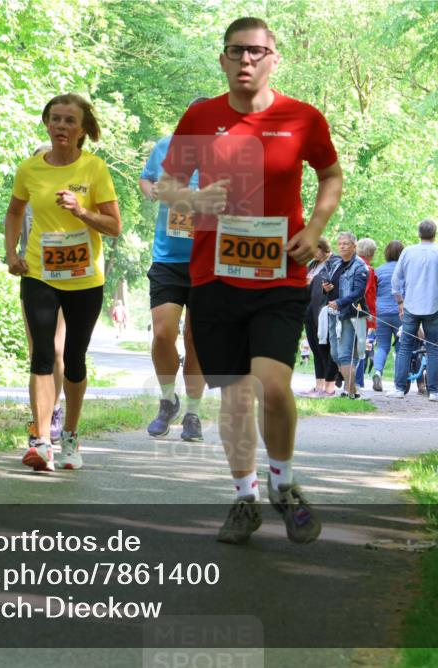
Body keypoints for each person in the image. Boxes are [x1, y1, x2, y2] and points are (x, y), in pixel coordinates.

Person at [158, 16, 343, 545]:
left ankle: (282, 485)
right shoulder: (200, 116)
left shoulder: (302, 117)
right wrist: (192, 200)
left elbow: (330, 174)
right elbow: (166, 184)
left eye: (257, 52)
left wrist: (315, 227)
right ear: (222, 58)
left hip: (281, 272)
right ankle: (244, 497)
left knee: (275, 385)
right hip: (214, 275)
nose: (246, 60)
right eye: (236, 51)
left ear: (273, 59)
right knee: (236, 397)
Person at [4, 93, 122, 472]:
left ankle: (69, 434)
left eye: (70, 121)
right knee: (41, 353)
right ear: (46, 123)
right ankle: (40, 440)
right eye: (55, 119)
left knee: (73, 358)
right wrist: (12, 253)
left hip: (85, 278)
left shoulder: (95, 169)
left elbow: (114, 227)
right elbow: (14, 212)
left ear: (83, 129)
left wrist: (81, 210)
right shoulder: (29, 169)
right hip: (39, 272)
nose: (61, 126)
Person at [140, 102, 209, 440]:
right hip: (168, 258)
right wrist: (151, 190)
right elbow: (147, 180)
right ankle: (168, 400)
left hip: (208, 261)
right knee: (163, 333)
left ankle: (193, 415)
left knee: (197, 340)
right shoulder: (166, 147)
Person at [14, 143, 67, 444]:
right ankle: (39, 419)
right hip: (34, 276)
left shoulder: (68, 196)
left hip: (67, 279)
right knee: (37, 351)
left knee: (58, 350)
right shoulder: (25, 197)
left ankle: (56, 409)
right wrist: (15, 257)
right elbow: (14, 226)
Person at [389, 219, 438, 401]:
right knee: (433, 348)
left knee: (405, 347)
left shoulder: (408, 252)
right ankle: (434, 391)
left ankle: (399, 388)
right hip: (434, 306)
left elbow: (396, 280)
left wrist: (400, 302)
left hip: (411, 305)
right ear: (434, 234)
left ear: (419, 234)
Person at [325, 231, 370, 399]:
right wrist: (327, 288)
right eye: (340, 243)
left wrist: (341, 302)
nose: (342, 246)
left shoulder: (360, 266)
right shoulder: (336, 263)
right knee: (335, 354)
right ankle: (355, 391)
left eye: (346, 243)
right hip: (333, 314)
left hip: (350, 314)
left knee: (345, 354)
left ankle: (350, 393)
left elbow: (359, 292)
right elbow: (331, 284)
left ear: (354, 246)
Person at [301, 239, 340, 397]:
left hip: (324, 311)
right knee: (315, 349)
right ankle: (319, 385)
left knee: (326, 349)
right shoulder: (312, 264)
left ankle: (329, 387)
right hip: (309, 311)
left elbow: (336, 285)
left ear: (323, 248)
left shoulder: (334, 262)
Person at [370, 240, 404, 392]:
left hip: (381, 313)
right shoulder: (405, 270)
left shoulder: (378, 270)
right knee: (401, 347)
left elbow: (373, 292)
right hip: (400, 313)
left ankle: (377, 372)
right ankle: (399, 383)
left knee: (382, 346)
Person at [354, 237, 378, 390]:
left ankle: (353, 380)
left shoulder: (353, 265)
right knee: (361, 347)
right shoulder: (366, 269)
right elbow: (363, 292)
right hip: (363, 313)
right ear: (371, 253)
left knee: (356, 346)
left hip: (357, 311)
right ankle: (358, 382)